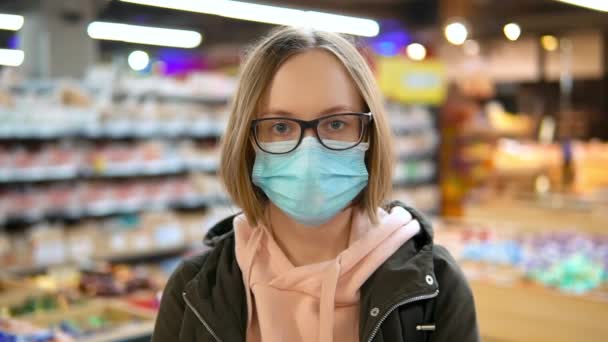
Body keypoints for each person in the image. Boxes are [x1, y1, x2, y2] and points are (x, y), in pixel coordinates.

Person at [152, 26, 479, 342]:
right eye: (280, 127)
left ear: (370, 135)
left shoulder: (437, 287)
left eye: (336, 123)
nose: (309, 150)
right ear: (246, 142)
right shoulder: (192, 290)